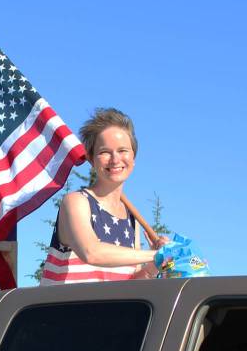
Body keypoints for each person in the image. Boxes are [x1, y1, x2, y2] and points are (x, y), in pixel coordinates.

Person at [40, 108, 168, 284]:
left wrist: (156, 263)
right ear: (91, 160)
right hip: (67, 310)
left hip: (108, 311)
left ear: (134, 158)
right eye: (105, 152)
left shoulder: (132, 221)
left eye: (123, 150)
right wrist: (156, 253)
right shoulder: (77, 201)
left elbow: (130, 286)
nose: (115, 159)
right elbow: (91, 252)